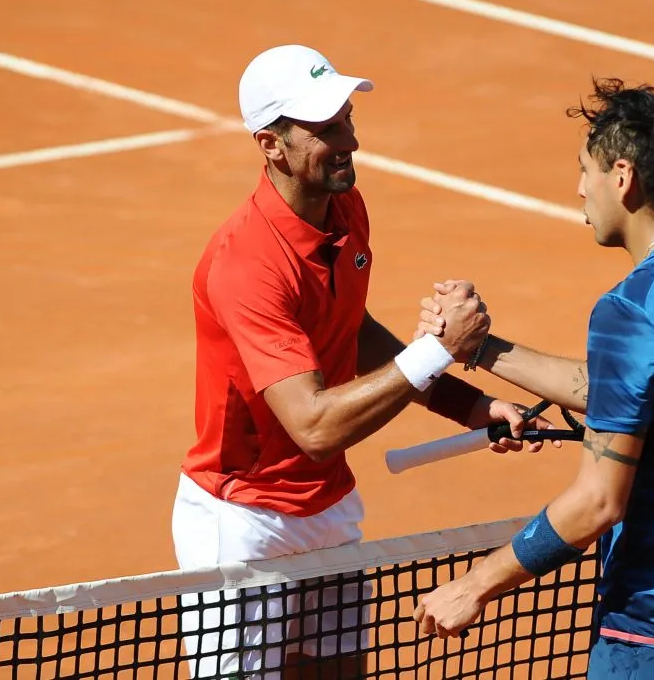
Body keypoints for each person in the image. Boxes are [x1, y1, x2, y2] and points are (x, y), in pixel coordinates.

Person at [171, 44, 555, 680]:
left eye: (346, 118)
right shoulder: (247, 265)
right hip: (244, 519)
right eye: (325, 129)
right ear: (270, 145)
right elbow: (316, 428)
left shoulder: (345, 209)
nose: (348, 139)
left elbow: (355, 332)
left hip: (327, 505)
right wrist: (439, 348)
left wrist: (471, 406)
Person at [411, 79, 654, 679]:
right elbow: (636, 387)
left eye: (587, 170)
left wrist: (474, 584)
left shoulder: (630, 308)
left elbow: (598, 502)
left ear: (623, 177)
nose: (580, 188)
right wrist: (475, 347)